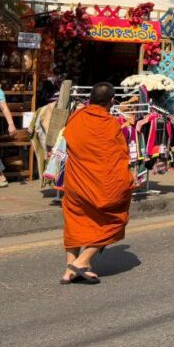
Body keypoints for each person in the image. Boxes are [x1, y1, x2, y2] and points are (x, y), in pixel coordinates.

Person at [60, 82, 133, 284]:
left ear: (90, 99)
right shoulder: (110, 124)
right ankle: (82, 261)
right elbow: (118, 156)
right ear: (112, 101)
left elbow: (68, 141)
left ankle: (69, 270)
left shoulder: (76, 117)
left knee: (75, 220)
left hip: (76, 182)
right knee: (115, 219)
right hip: (100, 184)